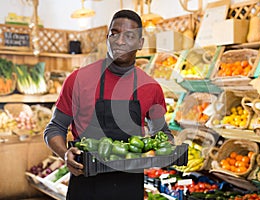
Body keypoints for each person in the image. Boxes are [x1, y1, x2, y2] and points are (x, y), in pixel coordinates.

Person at [44, 9, 173, 200]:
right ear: (107, 37)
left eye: (129, 36)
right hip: (85, 184)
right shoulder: (78, 79)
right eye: (114, 33)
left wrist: (167, 149)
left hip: (129, 188)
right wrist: (65, 154)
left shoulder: (151, 87)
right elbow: (55, 127)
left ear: (140, 43)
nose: (120, 41)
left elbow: (162, 134)